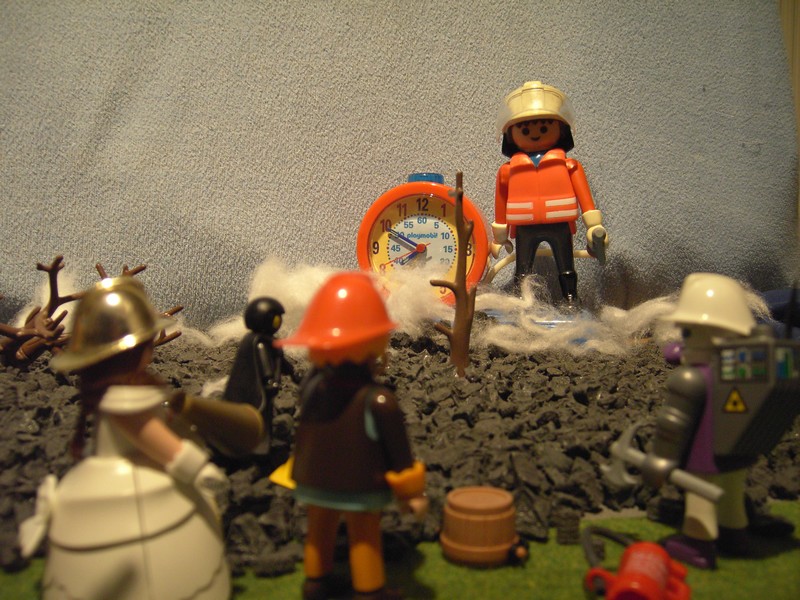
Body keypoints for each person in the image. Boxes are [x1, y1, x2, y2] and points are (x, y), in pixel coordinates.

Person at [19, 277, 230, 599]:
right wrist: (195, 467)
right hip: (133, 475)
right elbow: (149, 435)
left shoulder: (122, 388)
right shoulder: (124, 400)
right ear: (134, 350)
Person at [277, 272, 427, 600]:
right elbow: (400, 454)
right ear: (376, 341)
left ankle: (315, 582)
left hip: (312, 478)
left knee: (319, 527)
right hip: (360, 484)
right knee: (364, 533)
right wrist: (411, 492)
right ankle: (369, 591)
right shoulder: (378, 401)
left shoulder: (312, 387)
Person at [640, 273, 798, 568]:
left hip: (705, 455)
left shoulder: (692, 378)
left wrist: (660, 460)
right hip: (739, 448)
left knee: (700, 497)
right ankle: (734, 535)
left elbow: (673, 422)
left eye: (688, 331)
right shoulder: (742, 369)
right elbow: (685, 353)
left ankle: (697, 544)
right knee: (730, 494)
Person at [491, 80, 608, 306]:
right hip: (524, 226)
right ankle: (520, 299)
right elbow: (501, 201)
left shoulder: (569, 165)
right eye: (525, 129)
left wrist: (594, 226)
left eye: (544, 128)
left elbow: (585, 198)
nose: (535, 134)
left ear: (561, 129)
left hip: (559, 223)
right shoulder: (508, 171)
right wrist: (500, 235)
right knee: (523, 268)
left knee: (566, 265)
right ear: (511, 135)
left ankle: (570, 297)